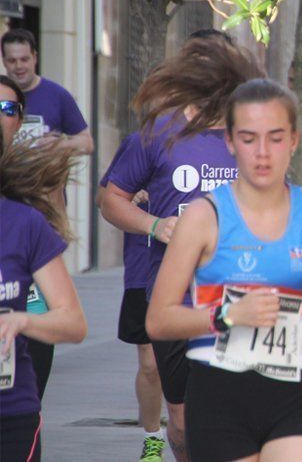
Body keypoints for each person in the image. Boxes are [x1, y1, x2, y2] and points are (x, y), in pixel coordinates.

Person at [146, 78, 302, 462]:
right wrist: (227, 316)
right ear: (229, 142)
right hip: (219, 393)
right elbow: (158, 321)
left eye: (275, 138)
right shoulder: (203, 216)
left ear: (293, 141)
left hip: (294, 387)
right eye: (248, 138)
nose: (262, 153)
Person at [101, 38, 263, 461]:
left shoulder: (249, 134)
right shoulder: (157, 133)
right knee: (183, 419)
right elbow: (111, 199)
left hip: (238, 294)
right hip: (173, 298)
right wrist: (156, 225)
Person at [0, 75, 88, 461]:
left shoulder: (23, 220)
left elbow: (73, 323)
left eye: (8, 108)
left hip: (11, 412)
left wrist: (23, 321)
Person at [96, 134, 166, 462]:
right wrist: (130, 197)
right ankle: (153, 438)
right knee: (150, 365)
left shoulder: (212, 140)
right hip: (143, 267)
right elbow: (104, 197)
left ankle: (193, 433)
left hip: (199, 270)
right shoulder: (141, 142)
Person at [1, 28, 93, 154]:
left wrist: (60, 145)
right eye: (12, 61)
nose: (19, 66)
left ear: (35, 58)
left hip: (45, 172)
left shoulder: (57, 95)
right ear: (4, 61)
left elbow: (87, 143)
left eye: (24, 59)